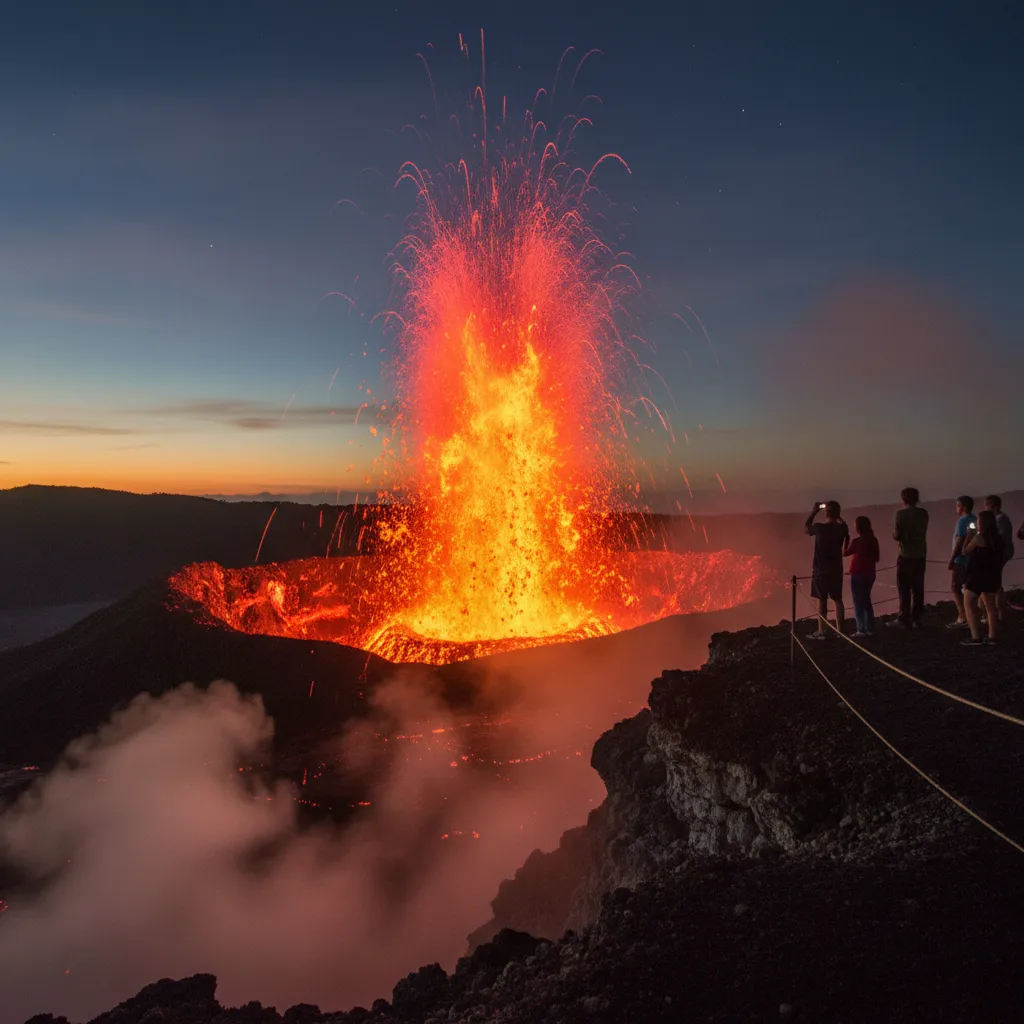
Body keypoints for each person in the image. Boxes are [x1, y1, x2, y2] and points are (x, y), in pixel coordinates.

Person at [805, 500, 849, 639]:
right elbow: (845, 526)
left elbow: (806, 529)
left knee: (822, 600)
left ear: (827, 513)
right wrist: (838, 515)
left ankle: (821, 631)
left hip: (820, 570)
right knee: (838, 599)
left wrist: (814, 512)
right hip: (836, 569)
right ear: (838, 513)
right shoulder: (842, 529)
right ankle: (840, 631)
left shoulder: (819, 528)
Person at [960, 510, 1004, 646]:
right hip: (992, 575)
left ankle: (976, 637)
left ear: (982, 523)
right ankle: (992, 637)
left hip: (977, 576)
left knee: (968, 604)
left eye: (978, 522)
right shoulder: (998, 538)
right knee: (990, 607)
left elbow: (964, 551)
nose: (977, 524)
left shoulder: (979, 538)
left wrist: (968, 535)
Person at [891, 487, 929, 628]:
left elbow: (898, 535)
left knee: (904, 587)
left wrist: (894, 535)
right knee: (918, 587)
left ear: (903, 499)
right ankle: (917, 618)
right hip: (920, 554)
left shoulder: (900, 514)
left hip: (905, 554)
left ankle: (903, 617)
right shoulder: (924, 513)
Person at [844, 516, 879, 637]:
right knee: (866, 600)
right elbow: (877, 558)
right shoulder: (873, 540)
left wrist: (845, 541)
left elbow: (845, 553)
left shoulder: (856, 542)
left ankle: (861, 629)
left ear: (858, 528)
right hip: (870, 574)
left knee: (858, 602)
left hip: (858, 574)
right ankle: (870, 628)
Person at [946, 495, 976, 628]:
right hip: (972, 559)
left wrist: (952, 559)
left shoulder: (962, 521)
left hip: (961, 560)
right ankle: (972, 615)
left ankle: (963, 616)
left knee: (956, 587)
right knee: (969, 587)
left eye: (958, 505)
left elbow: (960, 540)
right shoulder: (975, 519)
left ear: (963, 507)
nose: (956, 508)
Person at [984, 495, 1015, 623]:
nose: (986, 507)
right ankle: (999, 614)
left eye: (987, 504)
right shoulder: (1001, 518)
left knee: (995, 584)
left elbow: (998, 539)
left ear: (994, 505)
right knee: (996, 583)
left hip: (1000, 554)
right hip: (1001, 554)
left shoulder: (1000, 520)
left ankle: (997, 614)